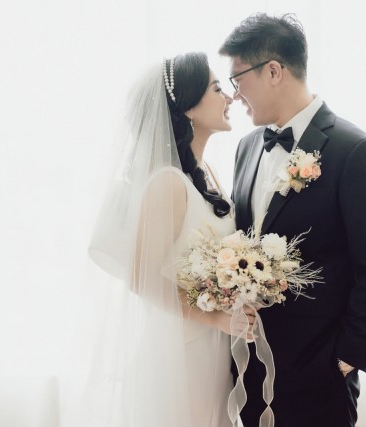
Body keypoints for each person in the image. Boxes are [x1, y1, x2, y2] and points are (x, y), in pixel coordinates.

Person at [219, 14, 366, 427]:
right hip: (248, 370)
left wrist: (348, 357)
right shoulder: (247, 147)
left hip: (320, 374)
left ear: (273, 72)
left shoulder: (356, 151)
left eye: (238, 79)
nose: (234, 94)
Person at [85, 52, 249, 427]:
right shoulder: (168, 183)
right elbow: (141, 278)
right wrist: (215, 318)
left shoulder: (205, 174)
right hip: (180, 352)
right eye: (217, 88)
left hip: (212, 347)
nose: (229, 97)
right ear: (188, 108)